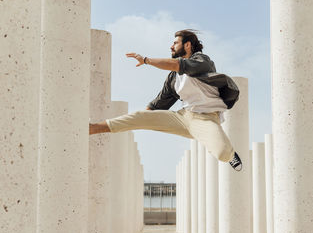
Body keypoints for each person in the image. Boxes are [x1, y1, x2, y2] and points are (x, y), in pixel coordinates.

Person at [89, 29, 242, 171]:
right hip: (182, 117)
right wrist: (143, 119)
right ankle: (93, 128)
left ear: (187, 45)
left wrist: (146, 60)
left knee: (222, 153)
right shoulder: (173, 78)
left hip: (204, 119)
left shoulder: (202, 61)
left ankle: (231, 155)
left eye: (175, 43)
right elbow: (160, 101)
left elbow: (177, 64)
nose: (171, 47)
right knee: (139, 116)